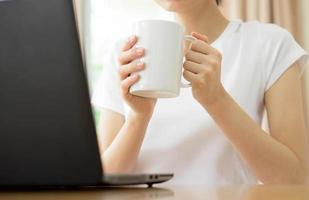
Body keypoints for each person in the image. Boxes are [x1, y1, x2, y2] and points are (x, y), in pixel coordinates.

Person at [92, 0, 309, 185]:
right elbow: (104, 180)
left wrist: (216, 101)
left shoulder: (270, 44)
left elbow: (294, 178)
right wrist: (138, 118)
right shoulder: (125, 56)